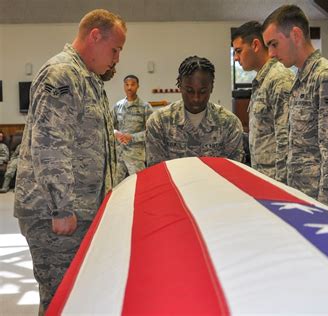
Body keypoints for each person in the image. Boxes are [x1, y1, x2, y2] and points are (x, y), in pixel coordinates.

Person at [13, 9, 126, 314]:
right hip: (56, 216)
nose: (116, 59)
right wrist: (60, 207)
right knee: (61, 300)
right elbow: (50, 144)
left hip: (78, 211)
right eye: (115, 49)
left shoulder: (88, 78)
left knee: (76, 297)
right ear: (95, 36)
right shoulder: (62, 74)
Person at [262, 5, 328, 216]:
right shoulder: (300, 80)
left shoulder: (326, 77)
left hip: (321, 203)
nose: (271, 53)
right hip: (301, 197)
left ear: (295, 34)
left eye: (274, 44)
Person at [146, 56, 244, 166]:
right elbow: (156, 171)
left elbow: (234, 171)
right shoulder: (159, 122)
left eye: (202, 91)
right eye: (189, 91)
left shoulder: (229, 123)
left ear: (211, 87)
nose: (196, 98)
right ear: (179, 85)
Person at [232, 21, 294, 183]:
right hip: (263, 174)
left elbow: (286, 137)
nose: (236, 58)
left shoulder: (279, 78)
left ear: (255, 45)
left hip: (276, 178)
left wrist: (281, 185)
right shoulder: (263, 80)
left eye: (239, 51)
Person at [113, 75, 153, 183]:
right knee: (115, 189)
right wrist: (115, 133)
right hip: (119, 157)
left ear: (138, 86)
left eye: (132, 84)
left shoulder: (145, 107)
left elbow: (151, 132)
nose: (129, 87)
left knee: (140, 185)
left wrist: (132, 137)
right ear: (124, 86)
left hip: (136, 157)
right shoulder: (118, 106)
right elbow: (110, 126)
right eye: (127, 85)